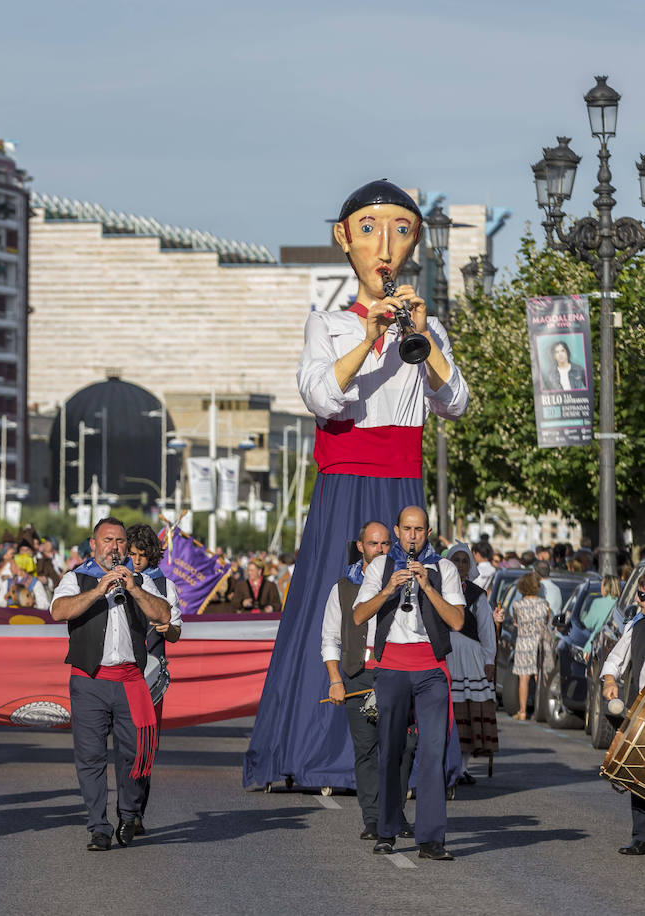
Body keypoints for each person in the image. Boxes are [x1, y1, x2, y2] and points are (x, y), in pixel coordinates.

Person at [245, 180, 468, 794]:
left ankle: (418, 755)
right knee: (334, 608)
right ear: (345, 239)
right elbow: (322, 397)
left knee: (411, 609)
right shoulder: (328, 325)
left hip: (403, 484)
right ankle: (321, 749)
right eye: (370, 228)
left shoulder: (429, 330)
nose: (385, 244)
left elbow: (457, 403)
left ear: (415, 241)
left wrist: (424, 343)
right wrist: (371, 338)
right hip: (345, 487)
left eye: (400, 229)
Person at [51, 517, 171, 851]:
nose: (114, 547)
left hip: (130, 679)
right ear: (93, 545)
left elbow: (164, 615)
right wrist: (98, 590)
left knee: (134, 756)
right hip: (89, 679)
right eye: (107, 540)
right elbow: (59, 611)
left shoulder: (142, 580)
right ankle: (98, 827)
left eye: (119, 541)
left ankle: (129, 813)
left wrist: (133, 587)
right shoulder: (76, 578)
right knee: (90, 758)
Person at [352, 506, 464, 861]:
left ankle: (431, 839)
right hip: (392, 665)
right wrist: (388, 589)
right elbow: (357, 616)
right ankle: (385, 830)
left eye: (419, 529)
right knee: (391, 749)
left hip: (431, 668)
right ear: (397, 532)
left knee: (433, 753)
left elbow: (458, 621)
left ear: (427, 533)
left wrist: (427, 586)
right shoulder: (380, 567)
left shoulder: (443, 569)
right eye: (407, 529)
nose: (413, 536)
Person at [320, 520, 416, 840]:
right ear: (360, 546)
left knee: (403, 747)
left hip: (396, 673)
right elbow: (330, 639)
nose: (381, 550)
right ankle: (373, 817)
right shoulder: (343, 587)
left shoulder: (405, 580)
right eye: (374, 544)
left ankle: (395, 812)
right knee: (367, 748)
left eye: (386, 544)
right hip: (358, 675)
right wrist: (335, 680)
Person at [124, 523, 181, 836]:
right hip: (120, 672)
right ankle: (125, 808)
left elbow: (176, 631)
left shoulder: (165, 585)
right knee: (124, 747)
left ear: (152, 556)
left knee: (145, 747)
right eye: (131, 554)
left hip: (151, 676)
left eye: (142, 555)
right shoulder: (116, 578)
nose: (136, 561)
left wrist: (167, 629)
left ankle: (135, 812)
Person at [443, 543, 498, 784]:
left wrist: (489, 659)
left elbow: (487, 630)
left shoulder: (477, 595)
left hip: (470, 659)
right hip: (444, 655)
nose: (461, 565)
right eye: (456, 560)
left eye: (465, 561)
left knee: (467, 711)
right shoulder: (438, 589)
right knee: (447, 714)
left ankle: (462, 768)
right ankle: (445, 765)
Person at [601, 582, 645, 853]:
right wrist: (609, 681)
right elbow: (615, 659)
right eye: (641, 594)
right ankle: (640, 836)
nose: (641, 600)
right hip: (641, 709)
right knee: (638, 771)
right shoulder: (637, 626)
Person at [509, 572, 549, 721]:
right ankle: (542, 710)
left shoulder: (517, 605)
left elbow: (516, 623)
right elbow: (548, 623)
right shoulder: (544, 604)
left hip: (523, 643)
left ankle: (523, 711)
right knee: (540, 677)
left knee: (523, 678)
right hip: (539, 643)